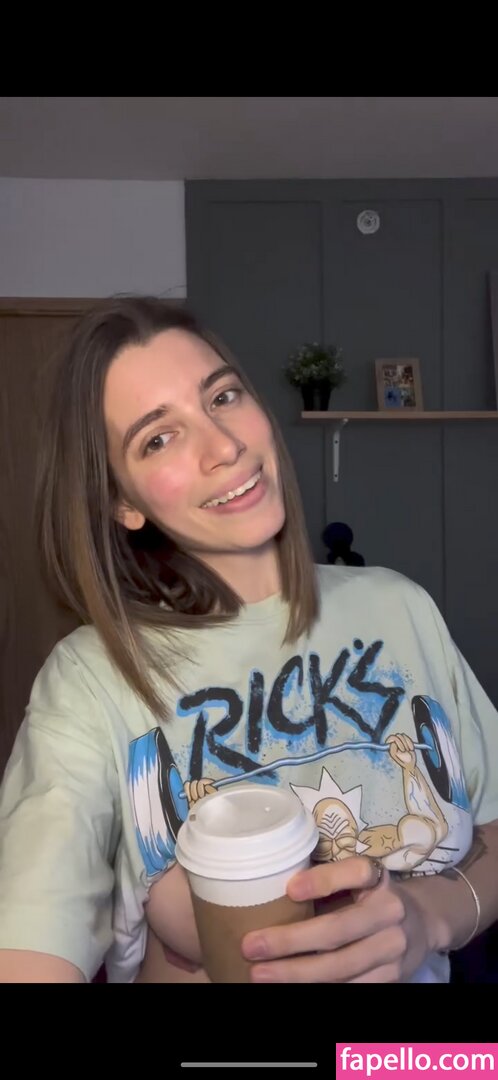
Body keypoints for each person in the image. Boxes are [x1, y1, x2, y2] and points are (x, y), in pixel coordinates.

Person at [0, 296, 497, 985]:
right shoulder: (92, 677)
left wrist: (429, 918)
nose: (225, 447)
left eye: (223, 397)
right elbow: (32, 935)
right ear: (122, 502)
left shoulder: (398, 607)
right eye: (158, 438)